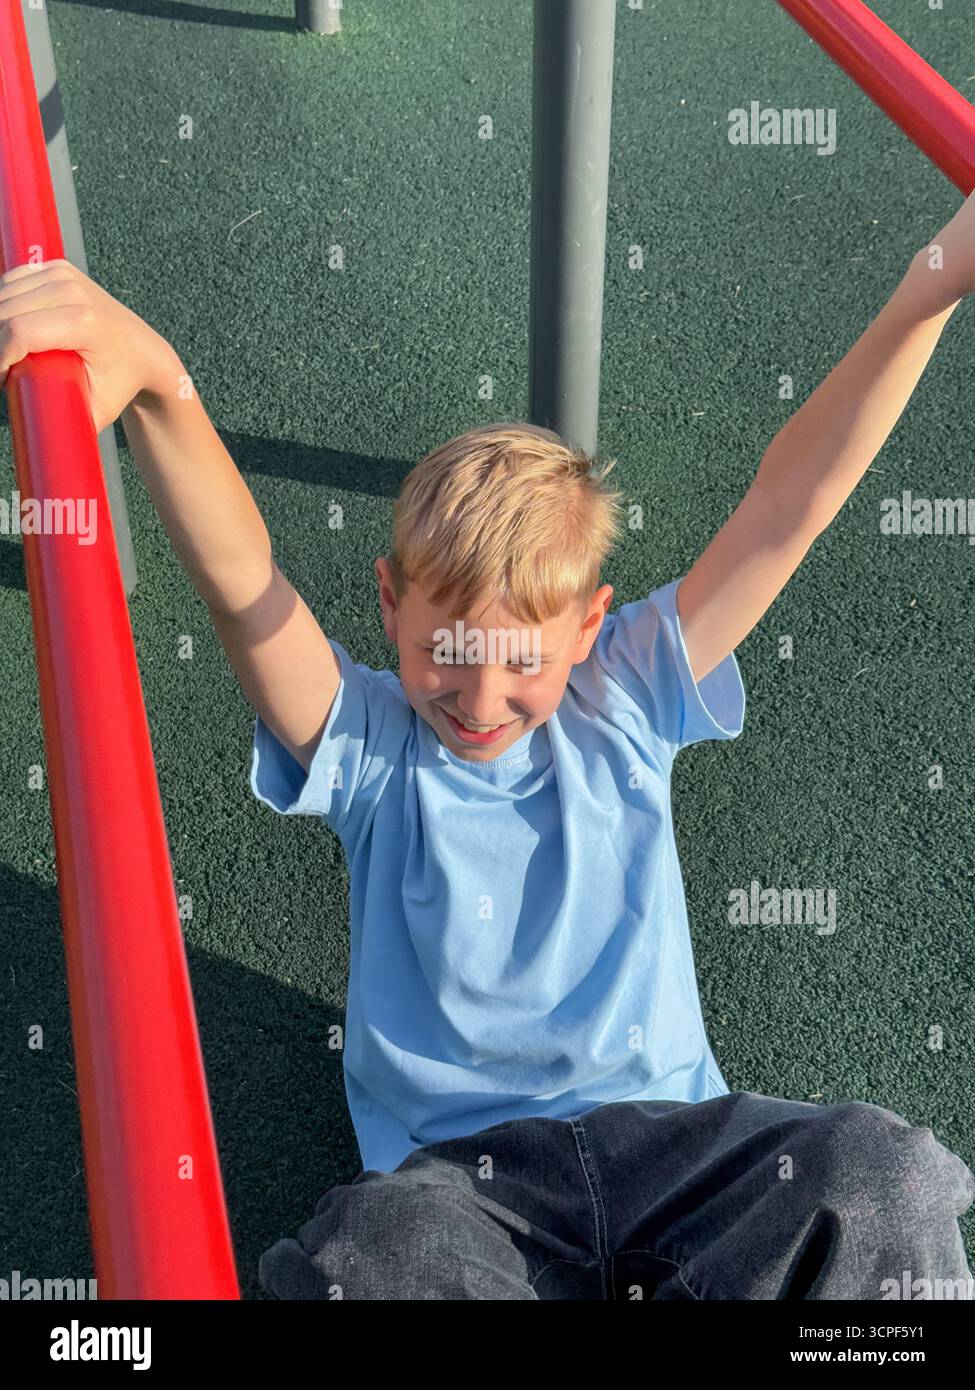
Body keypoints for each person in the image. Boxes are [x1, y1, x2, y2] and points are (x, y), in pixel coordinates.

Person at [3, 193, 975, 1300]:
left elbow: (790, 503)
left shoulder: (629, 698)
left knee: (879, 1176)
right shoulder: (372, 746)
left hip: (675, 1151)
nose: (479, 697)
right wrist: (162, 386)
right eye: (444, 656)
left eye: (523, 663)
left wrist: (934, 279)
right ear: (388, 607)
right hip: (465, 1191)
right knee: (369, 1263)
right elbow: (244, 588)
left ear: (589, 628)